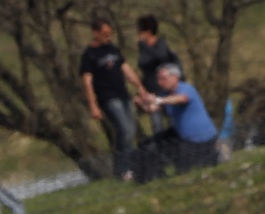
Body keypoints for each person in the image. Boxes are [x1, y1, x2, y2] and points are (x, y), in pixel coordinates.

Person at [80, 17, 148, 181]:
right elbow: (87, 82)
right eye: (104, 34)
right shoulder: (89, 55)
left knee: (131, 130)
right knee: (123, 129)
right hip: (108, 98)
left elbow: (126, 69)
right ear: (95, 33)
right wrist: (93, 105)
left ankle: (131, 165)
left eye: (109, 34)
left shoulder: (112, 49)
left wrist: (139, 87)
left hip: (123, 94)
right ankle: (122, 169)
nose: (108, 37)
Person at [148, 63, 219, 174]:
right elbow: (154, 107)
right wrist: (145, 102)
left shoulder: (186, 88)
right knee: (154, 143)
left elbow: (181, 99)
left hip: (202, 140)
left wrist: (159, 101)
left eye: (163, 79)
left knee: (194, 169)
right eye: (158, 79)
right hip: (185, 140)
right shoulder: (164, 94)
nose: (159, 82)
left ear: (175, 77)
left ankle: (219, 154)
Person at [136, 15, 182, 134]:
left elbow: (161, 56)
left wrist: (145, 46)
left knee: (172, 120)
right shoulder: (143, 49)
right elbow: (142, 65)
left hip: (165, 89)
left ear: (148, 32)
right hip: (151, 90)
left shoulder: (160, 44)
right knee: (157, 125)